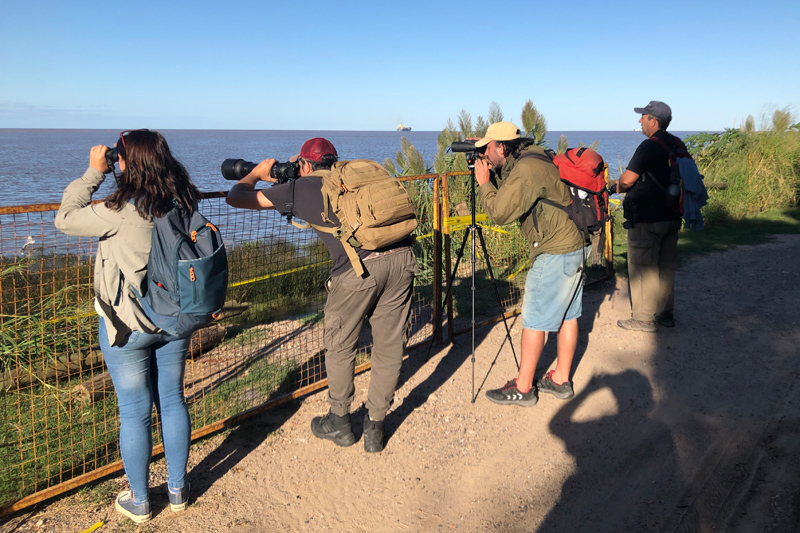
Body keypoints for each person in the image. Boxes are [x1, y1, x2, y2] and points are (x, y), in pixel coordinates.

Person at [225, 138, 416, 453]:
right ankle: (375, 427)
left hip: (359, 271)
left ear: (304, 165)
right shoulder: (351, 178)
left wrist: (256, 173)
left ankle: (340, 422)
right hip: (401, 258)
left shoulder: (300, 189)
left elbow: (236, 197)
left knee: (340, 346)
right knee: (389, 346)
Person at [54, 130, 199, 523]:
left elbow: (64, 219)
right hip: (175, 318)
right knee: (172, 400)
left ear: (127, 164)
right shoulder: (183, 199)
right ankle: (178, 490)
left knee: (134, 412)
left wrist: (93, 173)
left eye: (120, 157)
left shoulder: (117, 211)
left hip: (128, 327)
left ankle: (140, 501)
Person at [474, 122, 586, 407]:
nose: (485, 153)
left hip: (555, 250)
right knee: (568, 315)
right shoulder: (535, 156)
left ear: (502, 147)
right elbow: (515, 183)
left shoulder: (525, 169)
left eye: (488, 147)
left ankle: (523, 388)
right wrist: (490, 160)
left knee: (534, 318)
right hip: (574, 244)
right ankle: (560, 380)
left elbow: (500, 212)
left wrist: (484, 183)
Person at [617, 101, 683, 332]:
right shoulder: (676, 143)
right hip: (672, 215)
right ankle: (665, 314)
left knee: (643, 268)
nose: (640, 120)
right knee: (665, 269)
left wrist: (617, 186)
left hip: (647, 219)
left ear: (653, 121)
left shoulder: (649, 146)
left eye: (643, 116)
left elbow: (627, 180)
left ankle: (643, 319)